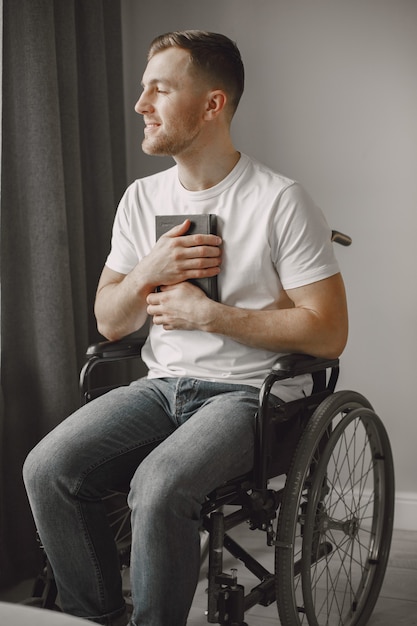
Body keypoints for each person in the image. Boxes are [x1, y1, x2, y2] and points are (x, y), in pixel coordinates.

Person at [23, 30, 348, 626]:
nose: (141, 104)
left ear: (212, 103)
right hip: (163, 386)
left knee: (159, 484)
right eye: (142, 89)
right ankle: (94, 616)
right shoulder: (140, 198)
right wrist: (150, 268)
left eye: (159, 89)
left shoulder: (281, 201)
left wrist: (212, 316)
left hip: (251, 397)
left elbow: (328, 334)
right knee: (48, 469)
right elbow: (108, 318)